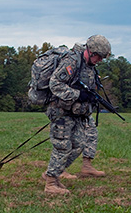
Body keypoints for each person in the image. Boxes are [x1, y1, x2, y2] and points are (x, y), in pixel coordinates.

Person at [42, 35, 111, 194]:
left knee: (79, 144)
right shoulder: (72, 62)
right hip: (61, 111)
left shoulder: (89, 67)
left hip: (76, 113)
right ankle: (50, 183)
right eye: (99, 56)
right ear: (91, 51)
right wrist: (77, 95)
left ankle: (54, 175)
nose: (99, 60)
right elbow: (55, 84)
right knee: (62, 146)